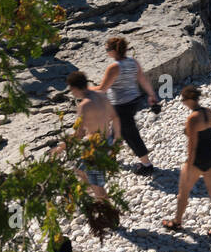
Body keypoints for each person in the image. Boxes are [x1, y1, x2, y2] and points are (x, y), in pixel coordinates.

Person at [162, 86, 211, 240]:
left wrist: (190, 164)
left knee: (183, 193)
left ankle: (177, 222)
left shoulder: (192, 119)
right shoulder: (208, 112)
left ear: (190, 100)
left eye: (184, 100)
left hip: (198, 158)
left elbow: (192, 144)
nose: (183, 103)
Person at [92, 36, 158, 176]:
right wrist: (152, 95)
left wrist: (85, 90)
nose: (106, 52)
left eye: (107, 49)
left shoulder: (114, 67)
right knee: (116, 131)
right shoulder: (133, 62)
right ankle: (110, 156)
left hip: (121, 106)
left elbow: (103, 88)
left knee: (131, 135)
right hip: (134, 102)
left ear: (114, 50)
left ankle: (147, 165)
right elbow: (143, 80)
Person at [59, 70, 119, 202]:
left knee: (98, 186)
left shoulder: (84, 106)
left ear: (75, 88)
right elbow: (114, 117)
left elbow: (78, 135)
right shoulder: (102, 95)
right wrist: (117, 139)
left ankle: (110, 216)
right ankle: (85, 193)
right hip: (107, 141)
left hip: (95, 149)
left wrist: (60, 148)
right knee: (79, 169)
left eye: (71, 89)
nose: (71, 92)